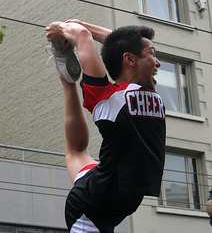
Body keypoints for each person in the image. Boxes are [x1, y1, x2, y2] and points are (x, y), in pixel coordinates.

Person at [45, 20, 166, 233]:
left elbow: (120, 42)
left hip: (102, 185)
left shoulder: (144, 90)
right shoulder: (106, 95)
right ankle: (66, 75)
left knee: (76, 151)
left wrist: (77, 24)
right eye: (153, 54)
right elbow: (82, 35)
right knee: (76, 151)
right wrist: (61, 29)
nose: (158, 62)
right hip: (89, 210)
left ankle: (67, 81)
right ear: (129, 59)